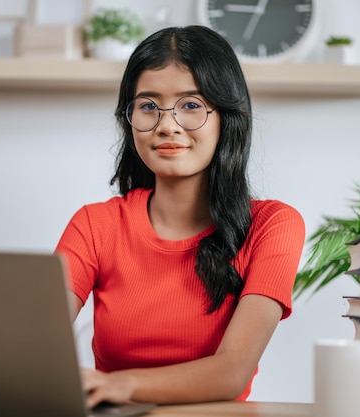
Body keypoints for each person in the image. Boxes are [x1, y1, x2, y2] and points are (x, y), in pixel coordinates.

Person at [54, 25, 305, 408]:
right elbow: (31, 346)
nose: (167, 125)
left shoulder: (272, 225)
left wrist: (122, 384)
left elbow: (231, 372)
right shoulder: (95, 225)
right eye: (148, 106)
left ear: (227, 116)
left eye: (191, 105)